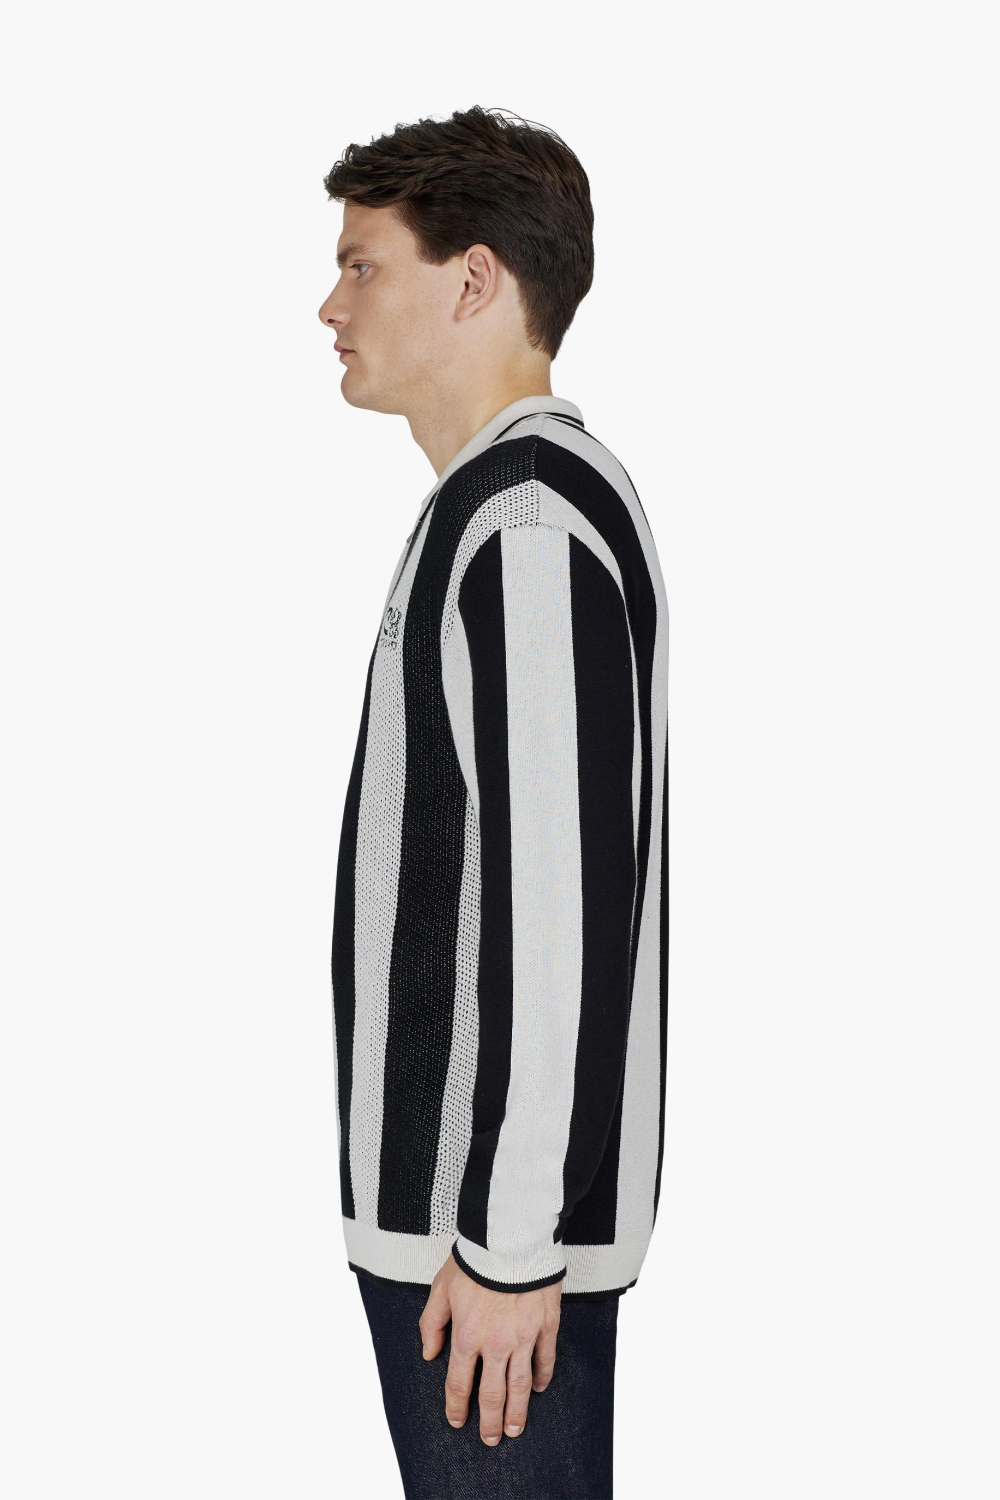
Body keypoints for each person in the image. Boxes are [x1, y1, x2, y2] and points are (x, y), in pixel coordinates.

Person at [318, 105, 669, 1499]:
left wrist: (513, 1248)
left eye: (362, 265)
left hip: (483, 1257)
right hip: (473, 1240)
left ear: (473, 278)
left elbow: (558, 902)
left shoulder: (523, 521)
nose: (331, 306)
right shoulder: (502, 506)